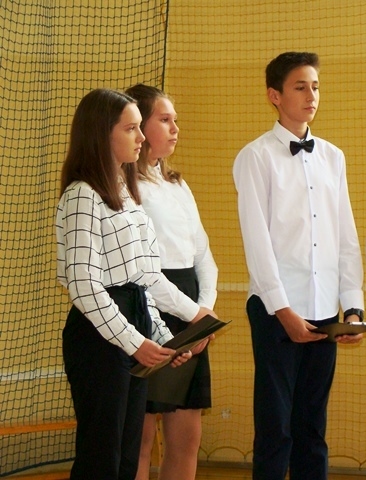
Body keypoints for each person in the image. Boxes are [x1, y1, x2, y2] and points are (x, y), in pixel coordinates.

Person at [56, 88, 207, 479]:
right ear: (102, 133)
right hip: (98, 336)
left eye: (141, 127)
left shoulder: (127, 194)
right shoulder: (82, 195)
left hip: (132, 325)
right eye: (131, 129)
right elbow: (84, 285)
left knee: (126, 454)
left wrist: (164, 339)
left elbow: (144, 279)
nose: (141, 138)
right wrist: (134, 342)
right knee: (101, 456)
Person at [232, 51, 365, 480]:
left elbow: (345, 236)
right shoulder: (255, 156)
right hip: (276, 310)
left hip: (325, 308)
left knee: (312, 428)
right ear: (274, 95)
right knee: (277, 429)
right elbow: (257, 242)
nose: (312, 95)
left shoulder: (333, 157)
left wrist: (352, 307)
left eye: (316, 86)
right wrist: (283, 310)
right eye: (300, 86)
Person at [124, 84, 219, 480]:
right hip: (148, 306)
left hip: (192, 311)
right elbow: (141, 270)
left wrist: (204, 315)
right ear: (139, 127)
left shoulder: (178, 185)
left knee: (186, 437)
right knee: (140, 438)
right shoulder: (125, 187)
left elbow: (203, 256)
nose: (175, 128)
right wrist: (195, 314)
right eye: (165, 120)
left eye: (175, 120)